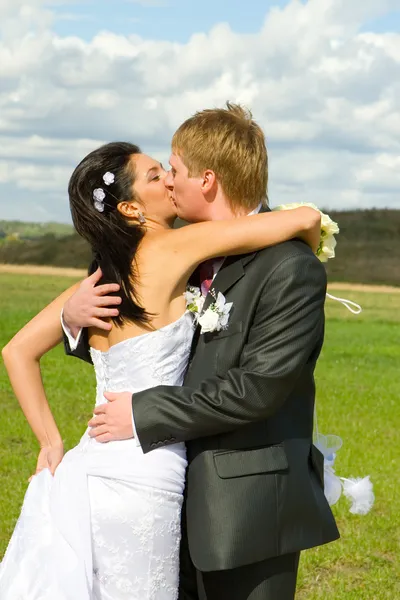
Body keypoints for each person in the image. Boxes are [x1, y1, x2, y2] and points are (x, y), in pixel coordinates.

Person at [0, 120, 323, 599]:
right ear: (130, 207)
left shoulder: (104, 275)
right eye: (157, 176)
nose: (169, 182)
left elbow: (16, 349)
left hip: (91, 464)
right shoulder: (174, 249)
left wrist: (50, 438)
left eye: (169, 171)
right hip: (147, 470)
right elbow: (303, 219)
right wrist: (313, 233)